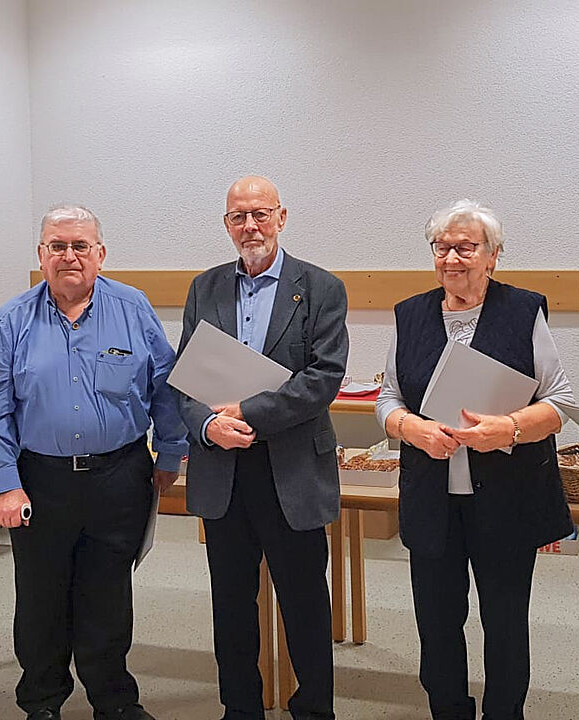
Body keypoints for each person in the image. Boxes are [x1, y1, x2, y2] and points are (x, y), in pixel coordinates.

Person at [0, 205, 187, 720]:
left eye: (80, 246)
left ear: (100, 254)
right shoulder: (11, 320)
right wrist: (5, 485)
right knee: (42, 598)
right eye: (57, 246)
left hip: (119, 475)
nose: (69, 256)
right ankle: (42, 700)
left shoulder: (132, 308)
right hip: (39, 481)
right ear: (41, 254)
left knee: (107, 594)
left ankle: (113, 699)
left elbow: (165, 385)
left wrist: (172, 450)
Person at [376, 199, 573, 720]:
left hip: (507, 496)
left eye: (466, 246)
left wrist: (507, 428)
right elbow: (387, 397)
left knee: (505, 622)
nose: (452, 258)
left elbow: (560, 403)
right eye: (442, 247)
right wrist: (410, 427)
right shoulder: (410, 314)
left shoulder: (523, 310)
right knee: (437, 622)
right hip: (432, 497)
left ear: (493, 256)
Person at [174, 176, 347, 720]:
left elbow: (323, 378)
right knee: (230, 605)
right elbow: (185, 377)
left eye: (260, 214)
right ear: (226, 224)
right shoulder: (205, 288)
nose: (250, 226)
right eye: (238, 217)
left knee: (305, 604)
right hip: (223, 470)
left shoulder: (320, 287)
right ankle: (239, 708)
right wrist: (207, 426)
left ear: (282, 217)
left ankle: (314, 708)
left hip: (291, 469)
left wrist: (246, 413)